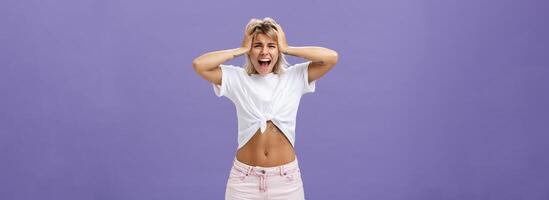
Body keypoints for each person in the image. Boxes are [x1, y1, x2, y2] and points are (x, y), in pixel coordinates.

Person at [192, 17, 338, 200]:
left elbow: (331, 57)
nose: (264, 52)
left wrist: (288, 48)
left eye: (271, 45)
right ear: (250, 50)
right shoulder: (238, 78)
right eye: (257, 45)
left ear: (278, 51)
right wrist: (240, 49)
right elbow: (200, 65)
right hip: (244, 181)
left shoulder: (294, 76)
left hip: (286, 182)